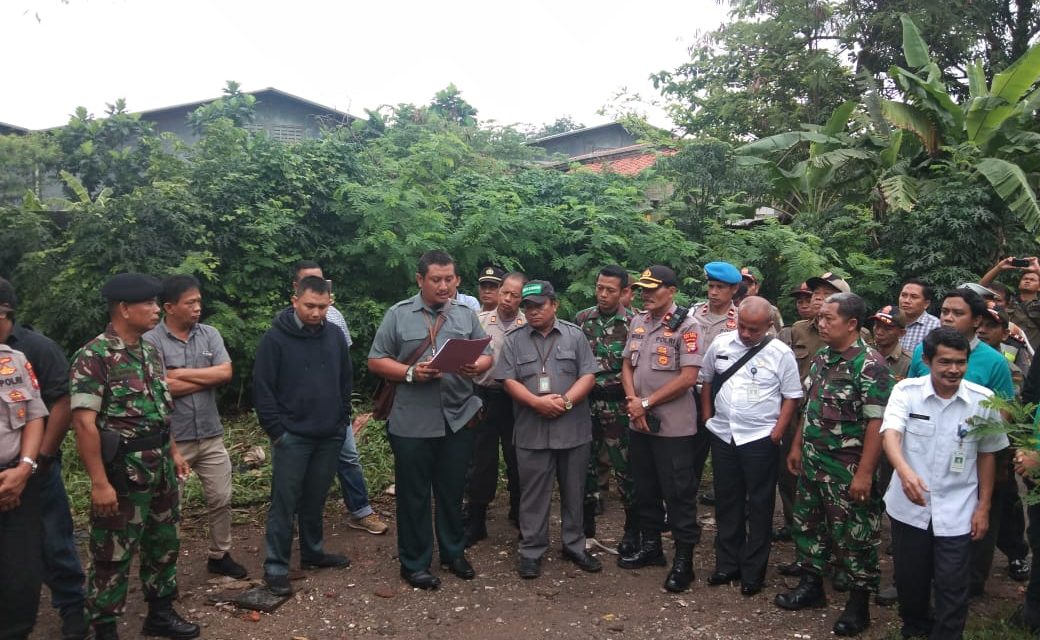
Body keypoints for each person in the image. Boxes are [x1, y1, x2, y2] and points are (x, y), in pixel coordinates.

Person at [69, 273, 198, 640]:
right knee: (112, 552)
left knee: (163, 542)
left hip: (160, 468)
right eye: (149, 304)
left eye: (157, 303)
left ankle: (159, 612)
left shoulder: (150, 353)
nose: (157, 310)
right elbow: (83, 424)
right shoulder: (94, 357)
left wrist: (173, 452)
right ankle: (104, 627)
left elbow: (161, 412)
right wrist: (99, 482)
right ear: (124, 309)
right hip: (122, 473)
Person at [368, 250, 492, 589]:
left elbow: (487, 354)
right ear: (420, 279)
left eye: (449, 279)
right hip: (412, 421)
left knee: (453, 491)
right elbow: (377, 360)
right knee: (414, 495)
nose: (443, 286)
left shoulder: (466, 313)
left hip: (457, 418)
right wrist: (410, 372)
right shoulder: (398, 315)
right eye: (436, 279)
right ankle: (415, 562)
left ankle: (453, 553)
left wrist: (476, 365)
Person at [775, 292, 894, 637]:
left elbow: (877, 423)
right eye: (820, 318)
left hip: (848, 467)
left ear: (852, 324)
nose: (820, 324)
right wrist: (796, 446)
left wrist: (866, 473)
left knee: (855, 536)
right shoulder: (823, 357)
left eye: (829, 319)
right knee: (808, 526)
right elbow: (810, 406)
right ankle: (812, 587)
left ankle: (859, 606)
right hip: (814, 460)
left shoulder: (870, 365)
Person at [881, 327, 1007, 639]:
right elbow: (891, 434)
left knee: (953, 584)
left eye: (960, 362)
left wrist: (984, 507)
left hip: (958, 509)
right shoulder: (907, 392)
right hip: (911, 506)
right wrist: (904, 470)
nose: (954, 370)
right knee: (911, 580)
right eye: (945, 362)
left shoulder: (982, 401)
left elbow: (988, 454)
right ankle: (914, 628)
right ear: (927, 360)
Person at [254, 276, 353, 597]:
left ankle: (313, 552)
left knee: (315, 499)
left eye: (322, 307)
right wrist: (277, 432)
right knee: (284, 503)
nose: (316, 312)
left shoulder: (335, 335)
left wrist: (341, 420)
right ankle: (276, 566)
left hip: (329, 434)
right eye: (310, 305)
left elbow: (345, 380)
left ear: (330, 303)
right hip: (292, 436)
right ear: (294, 300)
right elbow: (263, 389)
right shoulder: (275, 339)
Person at [143, 276, 247, 580]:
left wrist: (180, 375)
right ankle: (165, 568)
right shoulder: (152, 340)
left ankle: (220, 554)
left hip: (210, 433)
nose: (198, 308)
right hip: (174, 440)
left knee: (221, 498)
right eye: (191, 303)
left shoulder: (210, 335)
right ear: (169, 307)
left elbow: (225, 372)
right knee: (169, 508)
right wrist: (199, 377)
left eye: (199, 301)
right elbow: (158, 387)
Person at [0, 278, 87, 639]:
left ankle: (71, 608)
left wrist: (36, 461)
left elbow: (57, 404)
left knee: (53, 541)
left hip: (35, 468)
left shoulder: (31, 350)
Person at [699, 297, 802, 596]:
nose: (746, 334)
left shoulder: (781, 353)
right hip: (723, 435)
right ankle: (727, 562)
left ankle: (753, 570)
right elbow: (706, 379)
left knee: (759, 504)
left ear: (769, 326)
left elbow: (792, 396)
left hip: (760, 438)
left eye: (754, 330)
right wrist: (707, 417)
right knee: (727, 499)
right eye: (742, 326)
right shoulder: (721, 344)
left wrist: (777, 433)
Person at [499, 280, 601, 578]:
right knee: (533, 494)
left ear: (554, 305)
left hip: (572, 429)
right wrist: (535, 403)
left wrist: (566, 402)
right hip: (532, 429)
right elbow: (508, 380)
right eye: (527, 307)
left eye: (539, 306)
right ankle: (531, 550)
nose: (532, 312)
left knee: (574, 491)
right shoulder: (514, 339)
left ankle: (574, 545)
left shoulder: (574, 335)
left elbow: (588, 375)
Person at [617, 266, 702, 593]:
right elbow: (627, 364)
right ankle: (652, 548)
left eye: (653, 289)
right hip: (639, 422)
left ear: (672, 290)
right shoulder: (639, 321)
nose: (646, 294)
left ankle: (684, 561)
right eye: (642, 288)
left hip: (672, 428)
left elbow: (688, 377)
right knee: (644, 488)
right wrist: (632, 401)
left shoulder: (688, 326)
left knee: (678, 494)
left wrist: (646, 403)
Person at [293, 262, 388, 536]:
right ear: (295, 291)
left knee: (348, 458)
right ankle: (298, 517)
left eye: (321, 282)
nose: (317, 290)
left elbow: (343, 362)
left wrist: (344, 405)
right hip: (300, 412)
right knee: (300, 465)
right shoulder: (285, 324)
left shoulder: (334, 317)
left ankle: (360, 511)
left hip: (335, 408)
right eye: (309, 282)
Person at [574, 265, 637, 553]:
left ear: (625, 292)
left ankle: (632, 532)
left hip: (619, 405)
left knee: (626, 470)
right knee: (584, 467)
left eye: (610, 290)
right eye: (599, 287)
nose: (602, 294)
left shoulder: (636, 323)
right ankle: (585, 532)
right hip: (587, 404)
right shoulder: (583, 319)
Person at [465, 271, 526, 546]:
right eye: (505, 292)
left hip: (516, 401)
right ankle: (476, 520)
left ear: (522, 298)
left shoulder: (528, 324)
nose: (507, 299)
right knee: (481, 461)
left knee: (518, 458)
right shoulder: (479, 322)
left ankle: (520, 512)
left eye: (515, 295)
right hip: (484, 396)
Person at [0, 311, 47, 640]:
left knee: (22, 577)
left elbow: (33, 415)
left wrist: (25, 467)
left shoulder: (13, 360)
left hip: (14, 481)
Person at [689, 262, 742, 513]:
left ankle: (729, 511)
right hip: (692, 393)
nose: (713, 292)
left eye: (720, 287)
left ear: (734, 290)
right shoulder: (691, 314)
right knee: (690, 456)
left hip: (725, 395)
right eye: (711, 286)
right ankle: (685, 511)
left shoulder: (742, 319)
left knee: (726, 456)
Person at [980, 256, 1040, 350]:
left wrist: (1037, 270)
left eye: (1032, 280)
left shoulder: (1037, 307)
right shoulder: (1008, 303)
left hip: (1027, 358)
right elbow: (980, 289)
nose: (1027, 281)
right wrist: (998, 268)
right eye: (1025, 279)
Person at [897, 278, 939, 352]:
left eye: (914, 297)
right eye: (903, 295)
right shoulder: (890, 321)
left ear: (926, 304)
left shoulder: (936, 327)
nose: (906, 301)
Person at [871, 305, 912, 380]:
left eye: (887, 328)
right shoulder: (864, 353)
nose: (879, 332)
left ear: (901, 333)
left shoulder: (908, 363)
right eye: (877, 325)